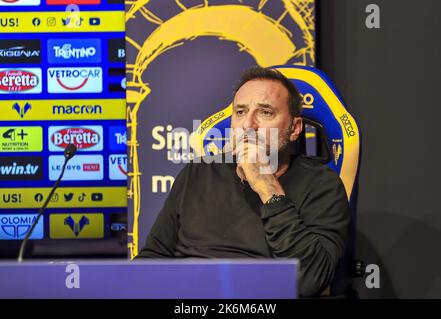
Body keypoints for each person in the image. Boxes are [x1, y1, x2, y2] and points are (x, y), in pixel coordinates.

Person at [136, 66, 350, 297]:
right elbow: (152, 259)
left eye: (265, 112)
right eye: (240, 112)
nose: (248, 124)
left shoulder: (322, 185)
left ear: (295, 129)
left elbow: (310, 280)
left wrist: (268, 187)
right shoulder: (199, 172)